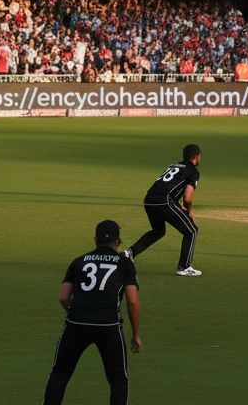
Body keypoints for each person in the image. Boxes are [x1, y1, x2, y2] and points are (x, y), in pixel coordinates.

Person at [42, 220, 141, 405]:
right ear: (118, 241)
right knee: (118, 378)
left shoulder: (79, 261)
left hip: (76, 323)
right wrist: (136, 334)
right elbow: (133, 300)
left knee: (60, 374)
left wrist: (77, 312)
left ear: (95, 240)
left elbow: (64, 297)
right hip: (109, 325)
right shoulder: (124, 263)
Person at [126, 145, 202, 276]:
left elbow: (167, 188)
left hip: (149, 200)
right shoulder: (193, 171)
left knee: (158, 231)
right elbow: (188, 198)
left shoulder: (173, 166)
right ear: (197, 156)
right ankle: (184, 267)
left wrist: (179, 207)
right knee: (192, 230)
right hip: (164, 201)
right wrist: (188, 212)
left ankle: (129, 253)